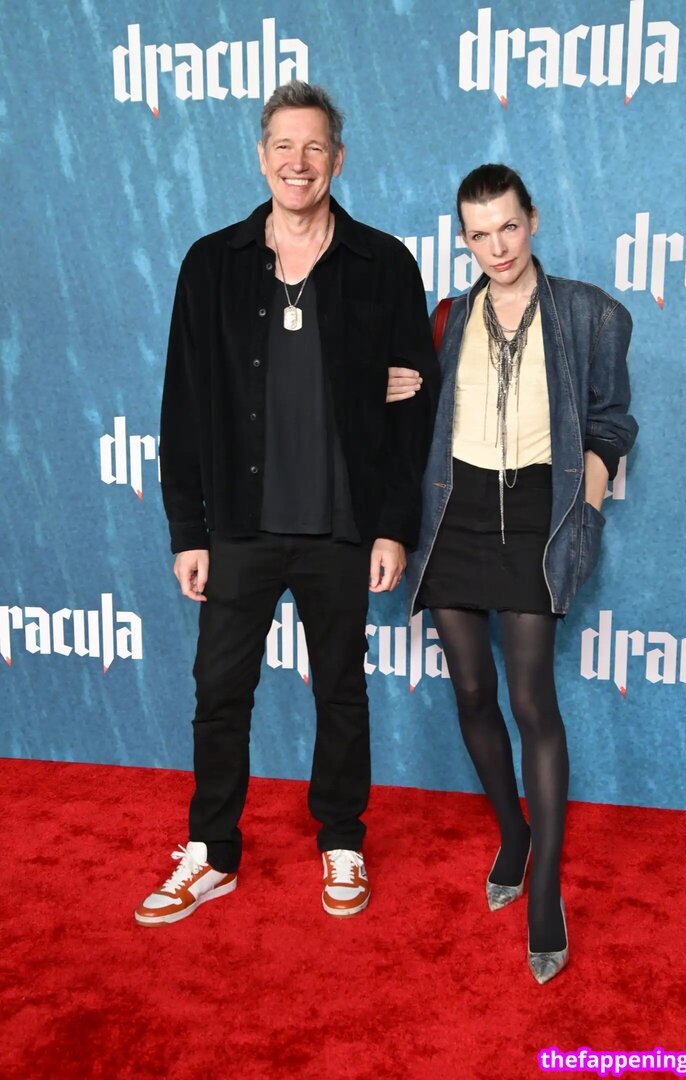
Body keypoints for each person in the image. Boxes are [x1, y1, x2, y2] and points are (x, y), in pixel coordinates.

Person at [135, 81, 437, 926]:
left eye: (314, 147)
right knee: (218, 691)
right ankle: (212, 850)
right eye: (282, 146)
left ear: (337, 158)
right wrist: (188, 530)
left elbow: (415, 405)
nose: (297, 162)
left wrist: (392, 526)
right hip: (240, 524)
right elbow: (182, 404)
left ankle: (341, 838)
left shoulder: (383, 263)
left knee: (340, 691)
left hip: (343, 527)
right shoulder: (212, 263)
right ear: (261, 156)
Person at [403, 164, 637, 983]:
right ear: (463, 239)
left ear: (532, 219)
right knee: (472, 691)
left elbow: (610, 423)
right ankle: (513, 832)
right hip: (455, 515)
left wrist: (588, 508)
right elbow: (420, 417)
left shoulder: (590, 314)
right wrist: (399, 390)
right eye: (479, 234)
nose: (497, 246)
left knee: (532, 699)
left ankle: (544, 890)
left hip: (539, 518)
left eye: (508, 226)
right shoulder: (447, 318)